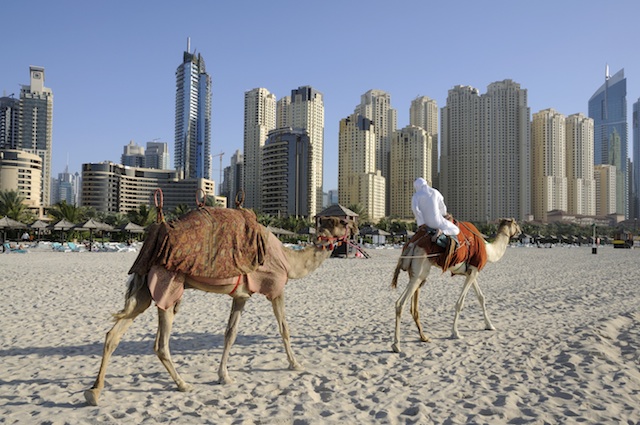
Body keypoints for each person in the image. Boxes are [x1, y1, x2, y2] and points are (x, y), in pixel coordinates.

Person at [411, 177, 459, 246]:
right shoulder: (435, 192)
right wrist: (444, 215)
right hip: (437, 222)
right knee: (455, 229)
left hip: (425, 224)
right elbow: (442, 206)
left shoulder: (416, 196)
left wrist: (421, 223)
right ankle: (442, 232)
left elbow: (415, 210)